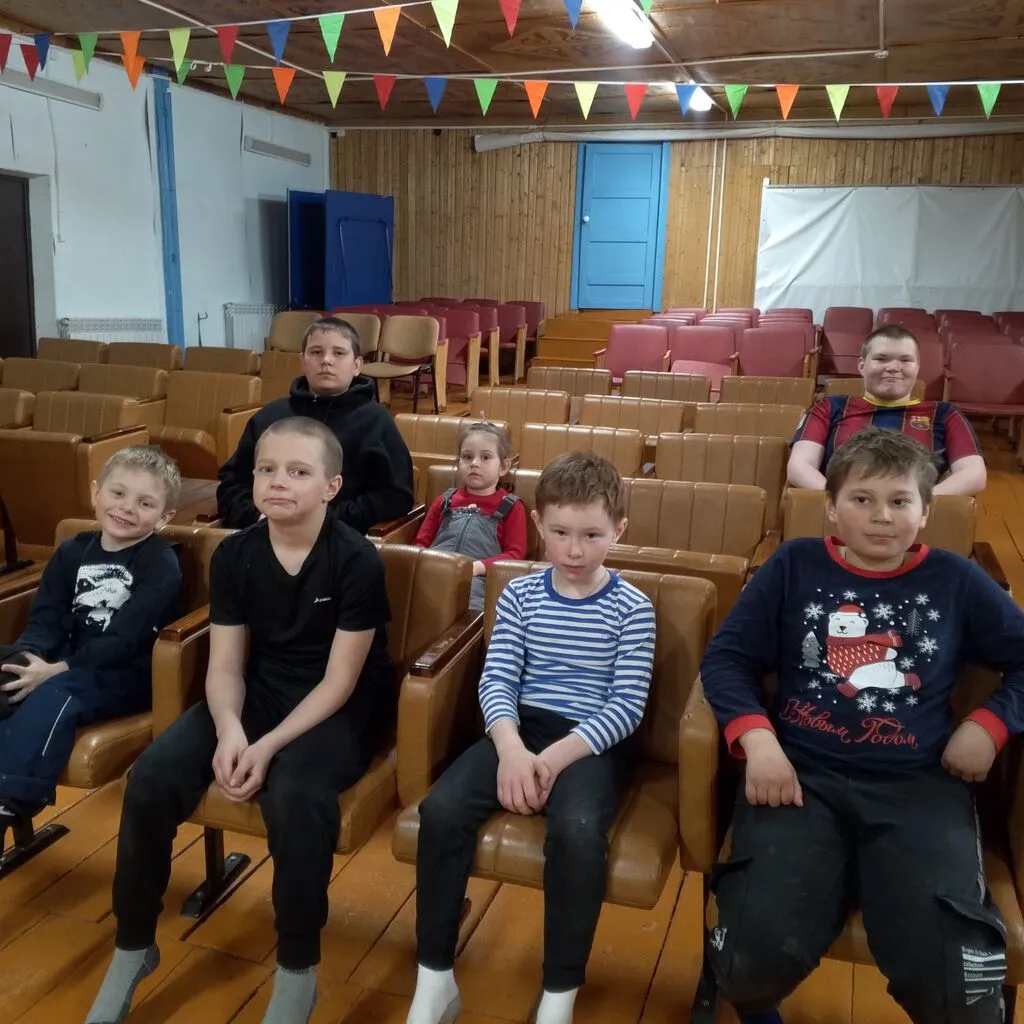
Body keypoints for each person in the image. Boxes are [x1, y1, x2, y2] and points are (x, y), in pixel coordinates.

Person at [701, 427, 1024, 1024]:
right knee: (749, 959)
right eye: (862, 499)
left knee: (954, 986)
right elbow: (727, 658)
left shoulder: (955, 579)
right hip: (800, 777)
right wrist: (758, 739)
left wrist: (991, 722)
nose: (881, 516)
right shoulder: (793, 565)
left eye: (900, 501)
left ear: (925, 512)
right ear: (831, 506)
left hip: (918, 783)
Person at [88, 417, 393, 1024]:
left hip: (339, 703)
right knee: (151, 779)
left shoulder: (356, 559)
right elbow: (225, 665)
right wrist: (231, 729)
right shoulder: (235, 553)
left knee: (297, 796)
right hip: (260, 689)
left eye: (298, 472)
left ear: (331, 487)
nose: (278, 482)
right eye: (267, 469)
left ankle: (298, 969)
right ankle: (133, 946)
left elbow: (339, 681)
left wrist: (268, 745)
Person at [406, 451, 657, 1024]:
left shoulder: (633, 608)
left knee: (577, 832)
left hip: (589, 740)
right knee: (441, 812)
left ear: (619, 529)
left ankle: (559, 994)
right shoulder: (520, 595)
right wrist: (513, 750)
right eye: (561, 533)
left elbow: (626, 706)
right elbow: (497, 679)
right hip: (519, 729)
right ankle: (434, 976)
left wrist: (553, 759)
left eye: (592, 535)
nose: (574, 550)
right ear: (539, 523)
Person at [0, 446, 181, 842]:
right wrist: (27, 659)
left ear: (164, 517)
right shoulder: (72, 551)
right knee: (8, 673)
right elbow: (45, 620)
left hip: (126, 673)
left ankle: (12, 798)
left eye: (145, 502)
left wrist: (55, 671)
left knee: (57, 693)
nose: (127, 507)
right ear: (96, 492)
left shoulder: (159, 563)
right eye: (118, 493)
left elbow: (125, 637)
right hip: (67, 658)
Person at [217, 316, 414, 533]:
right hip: (263, 533)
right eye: (316, 352)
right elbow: (232, 484)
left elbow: (396, 496)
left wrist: (322, 521)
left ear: (357, 365)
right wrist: (259, 518)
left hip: (340, 536)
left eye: (338, 353)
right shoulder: (270, 416)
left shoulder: (376, 421)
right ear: (303, 361)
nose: (326, 360)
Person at [788, 324, 986, 495]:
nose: (893, 367)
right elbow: (799, 466)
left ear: (917, 367)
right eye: (881, 359)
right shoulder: (829, 407)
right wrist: (844, 501)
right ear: (861, 365)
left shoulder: (945, 414)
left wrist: (915, 503)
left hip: (917, 520)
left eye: (905, 360)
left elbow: (974, 474)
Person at [413, 421, 528, 610]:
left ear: (503, 466)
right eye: (467, 457)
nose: (474, 463)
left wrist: (478, 567)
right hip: (435, 574)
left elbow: (514, 555)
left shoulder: (511, 507)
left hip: (479, 580)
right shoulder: (444, 500)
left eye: (485, 457)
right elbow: (421, 544)